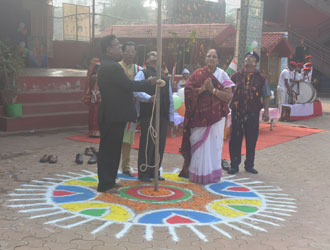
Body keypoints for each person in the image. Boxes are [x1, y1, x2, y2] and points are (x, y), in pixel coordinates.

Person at [96, 35, 164, 193]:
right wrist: (150, 82)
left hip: (113, 114)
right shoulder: (112, 67)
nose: (120, 48)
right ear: (108, 49)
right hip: (113, 114)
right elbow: (129, 85)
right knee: (109, 151)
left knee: (112, 150)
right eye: (117, 45)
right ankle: (105, 184)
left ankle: (110, 181)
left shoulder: (109, 65)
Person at [179, 49, 235, 184]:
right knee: (198, 145)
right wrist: (201, 90)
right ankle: (197, 174)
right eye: (208, 56)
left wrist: (212, 90)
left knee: (214, 146)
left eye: (214, 56)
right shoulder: (197, 74)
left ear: (218, 60)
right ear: (205, 59)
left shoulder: (222, 75)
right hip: (199, 118)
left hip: (216, 118)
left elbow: (229, 96)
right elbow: (188, 92)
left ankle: (211, 175)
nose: (211, 58)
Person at [227, 51, 271, 175]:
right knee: (235, 139)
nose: (248, 59)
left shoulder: (261, 78)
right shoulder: (235, 76)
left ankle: (249, 164)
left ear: (255, 62)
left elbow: (266, 95)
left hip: (252, 113)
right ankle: (234, 165)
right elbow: (228, 93)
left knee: (251, 139)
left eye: (251, 57)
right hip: (237, 112)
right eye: (246, 57)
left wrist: (266, 112)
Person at [134, 51, 174, 183]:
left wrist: (171, 117)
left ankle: (155, 170)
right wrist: (148, 98)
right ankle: (144, 172)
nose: (155, 55)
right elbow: (135, 90)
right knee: (147, 143)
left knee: (160, 144)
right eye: (152, 54)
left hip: (162, 114)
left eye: (157, 54)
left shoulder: (165, 78)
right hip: (148, 114)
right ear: (147, 58)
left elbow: (170, 98)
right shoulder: (143, 73)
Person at [118, 42, 144, 177]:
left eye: (132, 51)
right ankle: (113, 165)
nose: (130, 54)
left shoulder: (139, 69)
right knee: (116, 137)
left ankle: (126, 166)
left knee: (128, 138)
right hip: (117, 108)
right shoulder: (116, 67)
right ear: (122, 52)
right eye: (127, 51)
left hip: (132, 109)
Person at [82, 58, 101, 137]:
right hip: (96, 92)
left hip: (100, 92)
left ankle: (97, 130)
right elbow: (92, 78)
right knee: (94, 112)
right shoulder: (98, 66)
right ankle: (93, 131)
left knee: (97, 112)